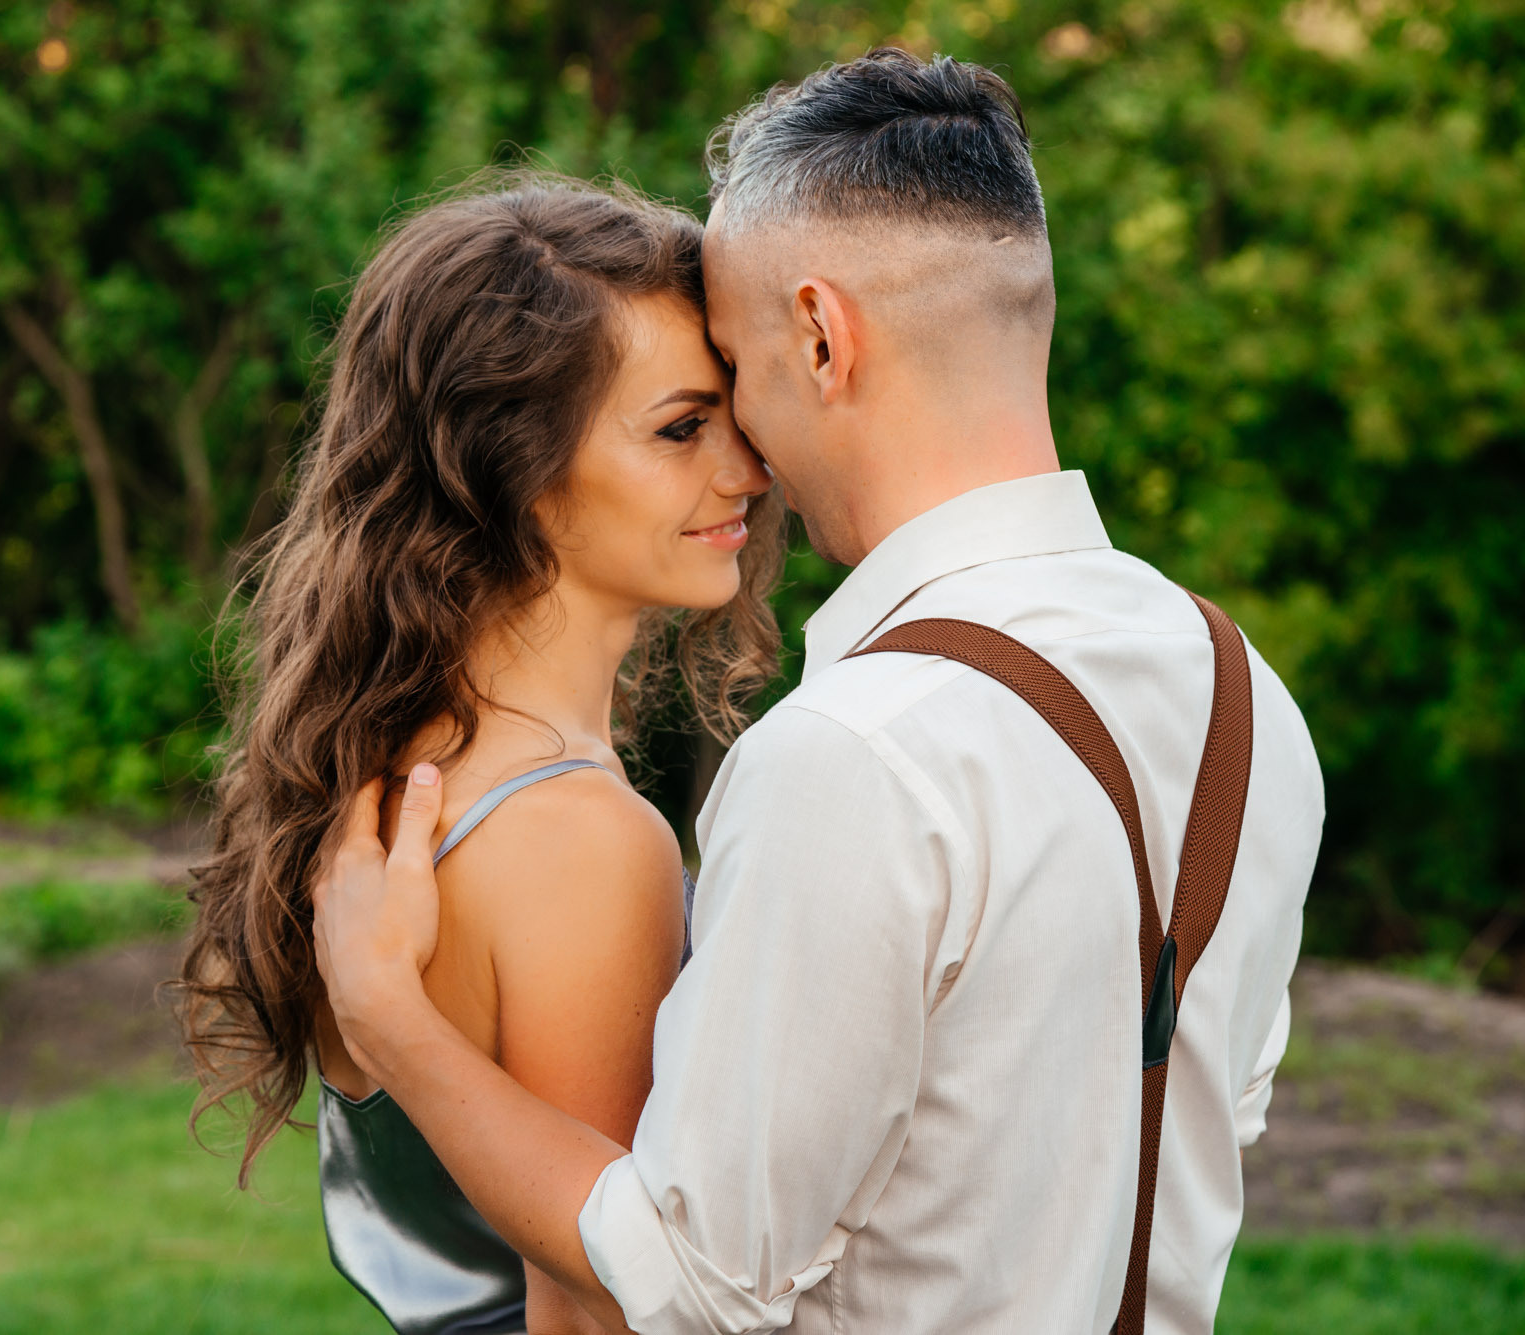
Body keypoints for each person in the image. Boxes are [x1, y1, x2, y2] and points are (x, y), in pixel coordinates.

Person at [314, 48, 1326, 1335]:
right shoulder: (1246, 699)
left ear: (817, 335)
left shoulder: (853, 754)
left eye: (730, 369)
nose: (743, 445)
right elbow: (1192, 1123)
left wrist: (391, 1020)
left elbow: (685, 1284)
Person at [171, 176, 783, 1335]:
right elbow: (596, 1303)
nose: (746, 471)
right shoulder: (575, 841)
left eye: (733, 416)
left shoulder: (387, 771)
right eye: (679, 428)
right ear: (516, 468)